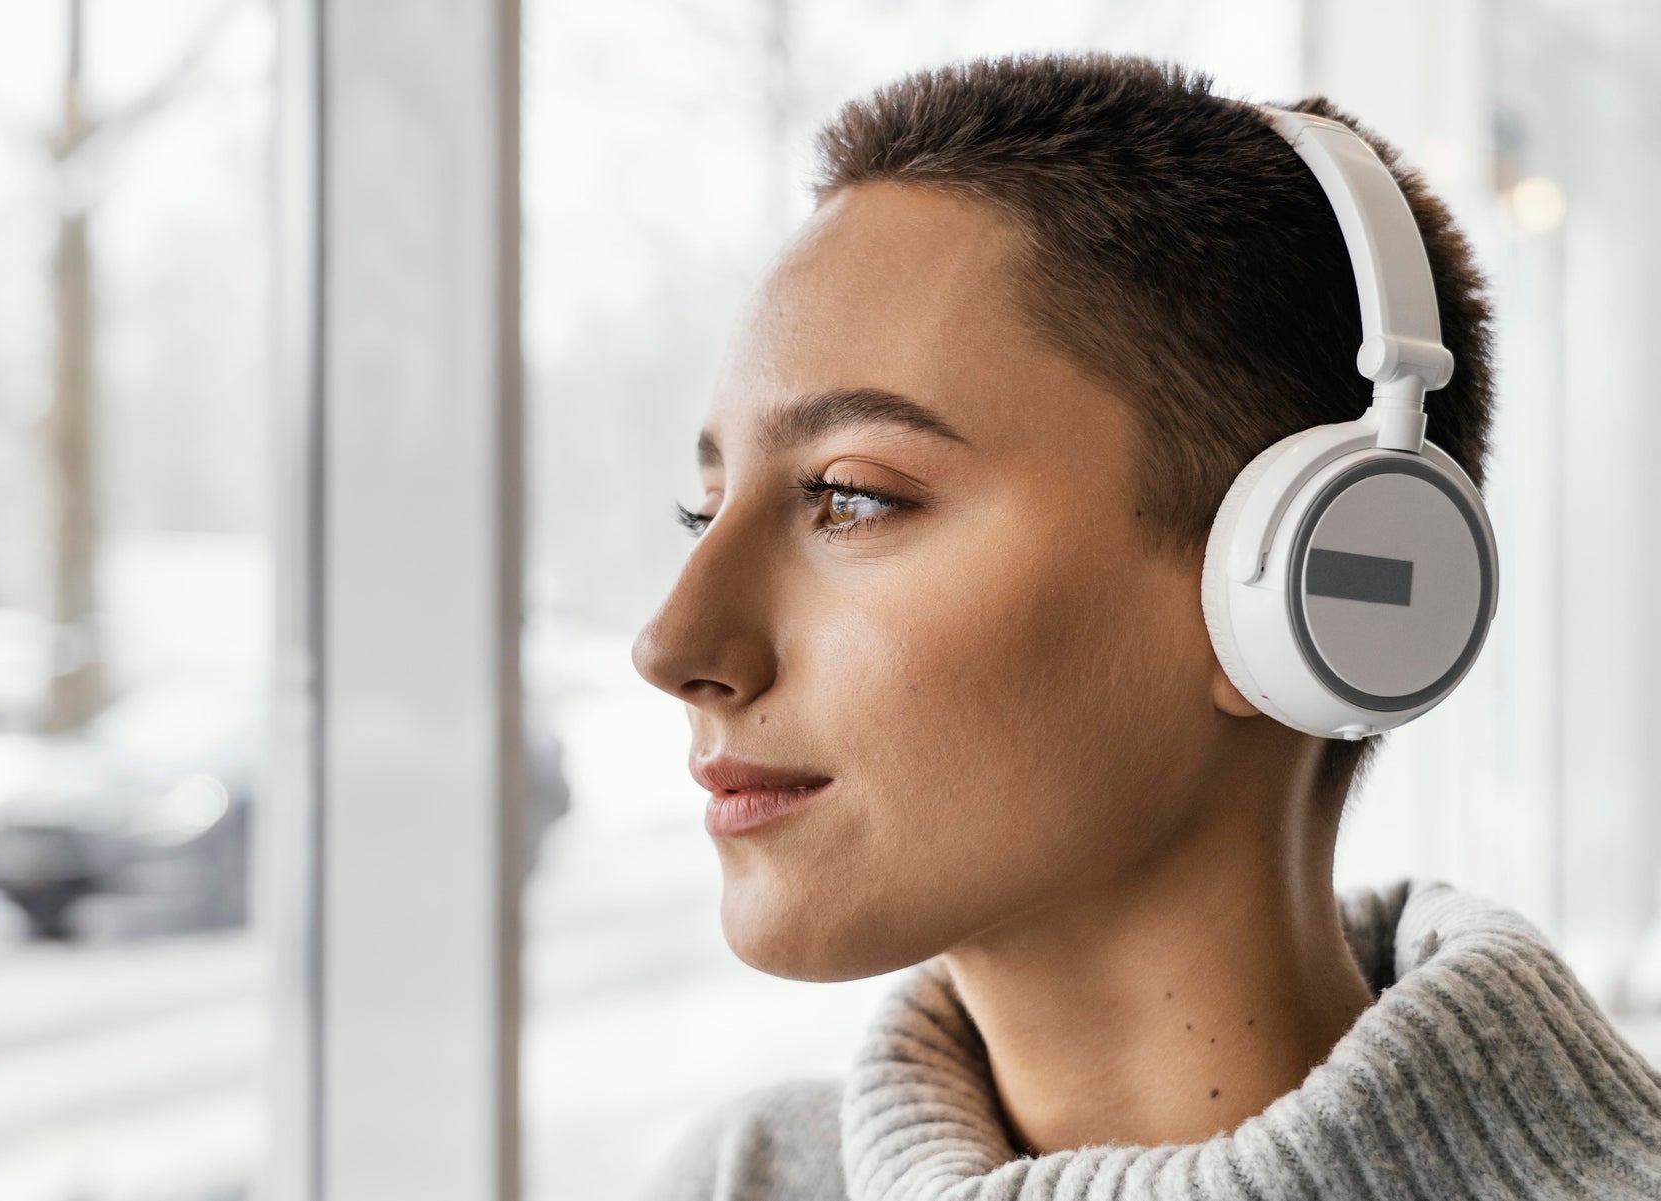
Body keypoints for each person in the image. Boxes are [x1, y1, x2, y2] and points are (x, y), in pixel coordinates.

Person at [627, 50, 1661, 1200]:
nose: (672, 647)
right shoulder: (743, 1177)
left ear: (1300, 580)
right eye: (703, 510)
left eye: (853, 497)